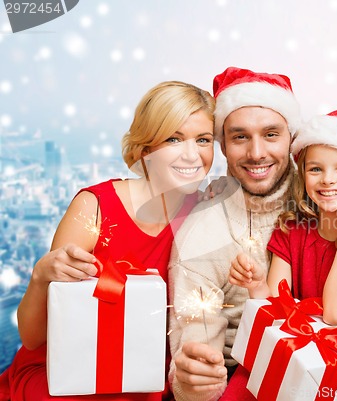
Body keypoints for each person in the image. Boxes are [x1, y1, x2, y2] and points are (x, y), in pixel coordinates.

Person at [168, 67, 337, 401]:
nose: (256, 153)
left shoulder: (323, 198)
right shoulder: (204, 234)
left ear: (292, 138)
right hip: (260, 372)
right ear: (223, 144)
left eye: (271, 134)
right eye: (239, 137)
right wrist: (195, 380)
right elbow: (198, 348)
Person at [0, 81, 216, 401]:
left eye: (203, 140)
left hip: (143, 381)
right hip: (66, 379)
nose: (192, 154)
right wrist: (40, 275)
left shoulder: (206, 213)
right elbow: (33, 339)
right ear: (146, 148)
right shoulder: (95, 207)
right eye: (174, 138)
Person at [229, 106, 337, 401]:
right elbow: (275, 311)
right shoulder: (291, 230)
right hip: (294, 358)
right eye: (315, 169)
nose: (327, 179)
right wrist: (256, 285)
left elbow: (336, 312)